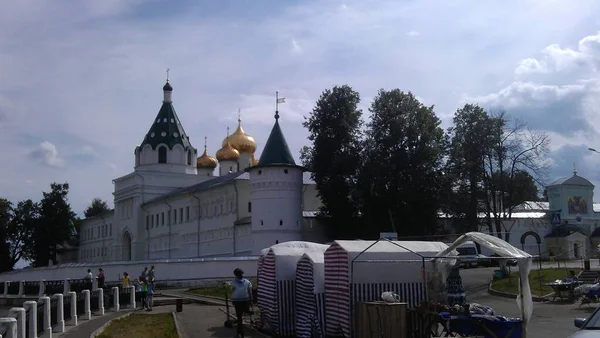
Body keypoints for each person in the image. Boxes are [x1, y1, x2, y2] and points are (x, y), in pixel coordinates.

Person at [231, 268, 252, 338]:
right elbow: (250, 292)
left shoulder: (233, 282)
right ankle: (240, 332)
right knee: (244, 314)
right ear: (242, 274)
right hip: (245, 300)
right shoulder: (247, 281)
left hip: (237, 301)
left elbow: (232, 290)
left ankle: (239, 333)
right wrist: (251, 301)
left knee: (239, 317)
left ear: (235, 275)